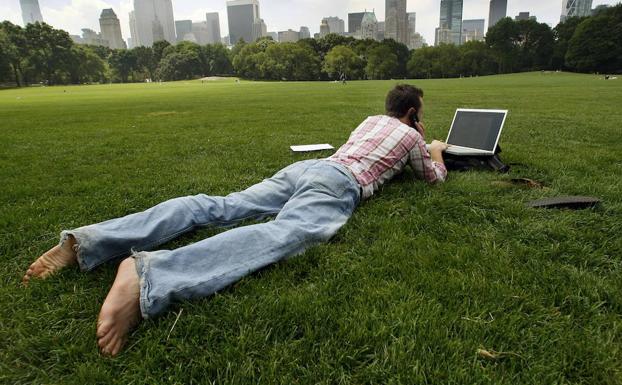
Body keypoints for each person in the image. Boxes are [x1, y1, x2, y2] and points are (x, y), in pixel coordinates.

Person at [22, 84, 449, 356]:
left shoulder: (370, 120)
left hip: (308, 169)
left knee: (220, 205)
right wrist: (435, 150)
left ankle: (90, 241)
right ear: (412, 112)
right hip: (339, 183)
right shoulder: (412, 135)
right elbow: (431, 179)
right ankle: (146, 273)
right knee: (288, 232)